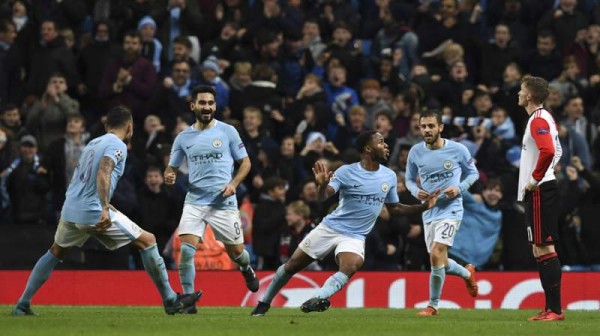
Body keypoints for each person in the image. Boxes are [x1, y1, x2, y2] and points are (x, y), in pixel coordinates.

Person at [12, 106, 201, 316]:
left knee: (56, 251)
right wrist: (103, 205)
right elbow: (104, 170)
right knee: (148, 241)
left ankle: (22, 304)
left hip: (71, 209)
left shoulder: (92, 143)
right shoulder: (116, 144)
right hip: (93, 209)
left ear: (106, 125)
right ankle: (170, 299)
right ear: (129, 127)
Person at [250, 130, 439, 316]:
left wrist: (424, 207)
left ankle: (318, 298)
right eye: (380, 142)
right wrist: (322, 184)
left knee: (352, 265)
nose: (386, 145)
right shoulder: (346, 171)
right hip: (330, 228)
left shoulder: (388, 176)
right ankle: (264, 302)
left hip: (355, 235)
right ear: (367, 148)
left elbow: (395, 208)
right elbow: (323, 197)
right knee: (291, 266)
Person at [164, 85, 257, 315]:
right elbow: (171, 166)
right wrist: (169, 174)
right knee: (186, 251)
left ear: (215, 106)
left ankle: (246, 268)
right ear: (192, 105)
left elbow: (245, 163)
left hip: (223, 203)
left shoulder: (228, 131)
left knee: (236, 253)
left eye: (211, 103)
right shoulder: (183, 137)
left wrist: (233, 184)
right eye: (202, 103)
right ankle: (188, 300)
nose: (207, 107)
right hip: (195, 201)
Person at [405, 109, 480, 316]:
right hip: (429, 211)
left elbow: (473, 173)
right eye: (423, 126)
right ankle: (467, 273)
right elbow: (409, 179)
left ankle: (432, 305)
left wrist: (459, 188)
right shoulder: (415, 152)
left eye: (431, 126)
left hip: (451, 209)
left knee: (437, 254)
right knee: (440, 261)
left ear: (440, 127)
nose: (427, 130)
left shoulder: (458, 150)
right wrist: (415, 191)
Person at [516, 76, 564, 321]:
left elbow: (548, 150)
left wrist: (534, 180)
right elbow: (558, 151)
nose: (518, 93)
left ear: (529, 96)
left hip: (540, 191)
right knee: (539, 248)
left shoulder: (537, 119)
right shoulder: (544, 118)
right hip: (541, 189)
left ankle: (555, 310)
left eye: (521, 90)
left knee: (543, 246)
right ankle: (550, 309)